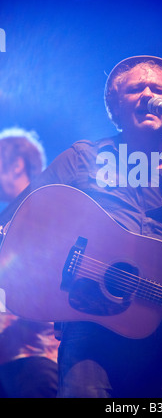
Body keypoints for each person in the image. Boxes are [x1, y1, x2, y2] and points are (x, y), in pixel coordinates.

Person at [0, 57, 162, 398]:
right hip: (87, 326)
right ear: (116, 107)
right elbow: (18, 217)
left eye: (158, 90)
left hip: (153, 333)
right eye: (136, 89)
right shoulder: (83, 158)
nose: (147, 95)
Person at [0, 128, 59, 398]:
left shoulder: (41, 212)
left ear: (17, 166)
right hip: (10, 356)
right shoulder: (10, 216)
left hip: (35, 357)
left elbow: (48, 284)